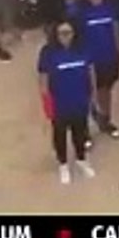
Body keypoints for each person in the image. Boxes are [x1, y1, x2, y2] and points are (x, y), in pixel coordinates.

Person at [38, 20, 98, 184]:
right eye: (61, 33)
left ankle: (81, 160)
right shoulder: (48, 52)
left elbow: (91, 72)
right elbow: (43, 79)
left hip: (80, 100)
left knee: (80, 132)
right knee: (60, 135)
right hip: (59, 103)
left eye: (68, 33)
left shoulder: (83, 49)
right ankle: (63, 164)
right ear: (55, 35)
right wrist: (47, 104)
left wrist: (93, 96)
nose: (65, 37)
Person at [69, 0, 119, 138]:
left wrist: (118, 51)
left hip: (108, 58)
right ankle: (84, 130)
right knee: (85, 93)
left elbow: (115, 30)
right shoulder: (78, 11)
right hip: (87, 61)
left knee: (105, 90)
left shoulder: (110, 8)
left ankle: (105, 121)